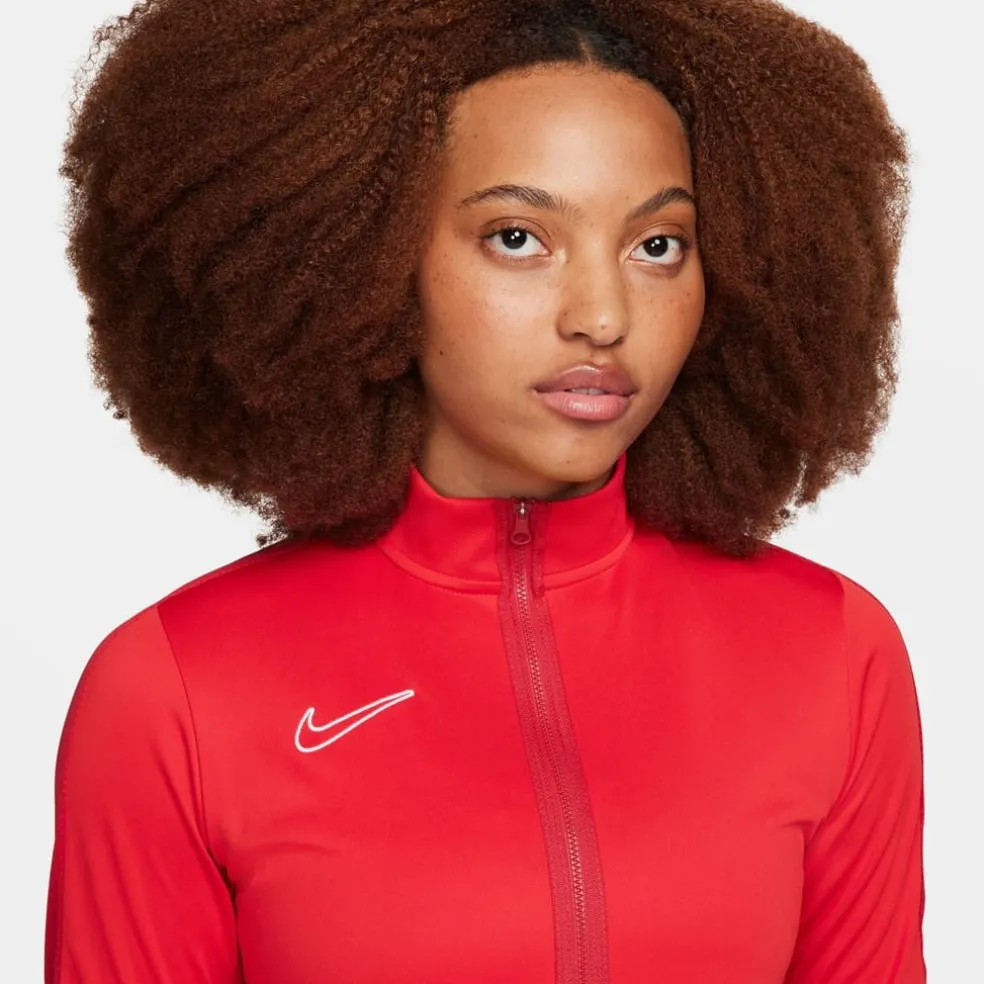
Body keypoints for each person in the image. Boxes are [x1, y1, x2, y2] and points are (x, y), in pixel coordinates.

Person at [44, 0, 926, 981]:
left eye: (658, 245)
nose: (602, 315)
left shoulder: (832, 656)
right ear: (366, 257)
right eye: (517, 237)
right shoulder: (178, 691)